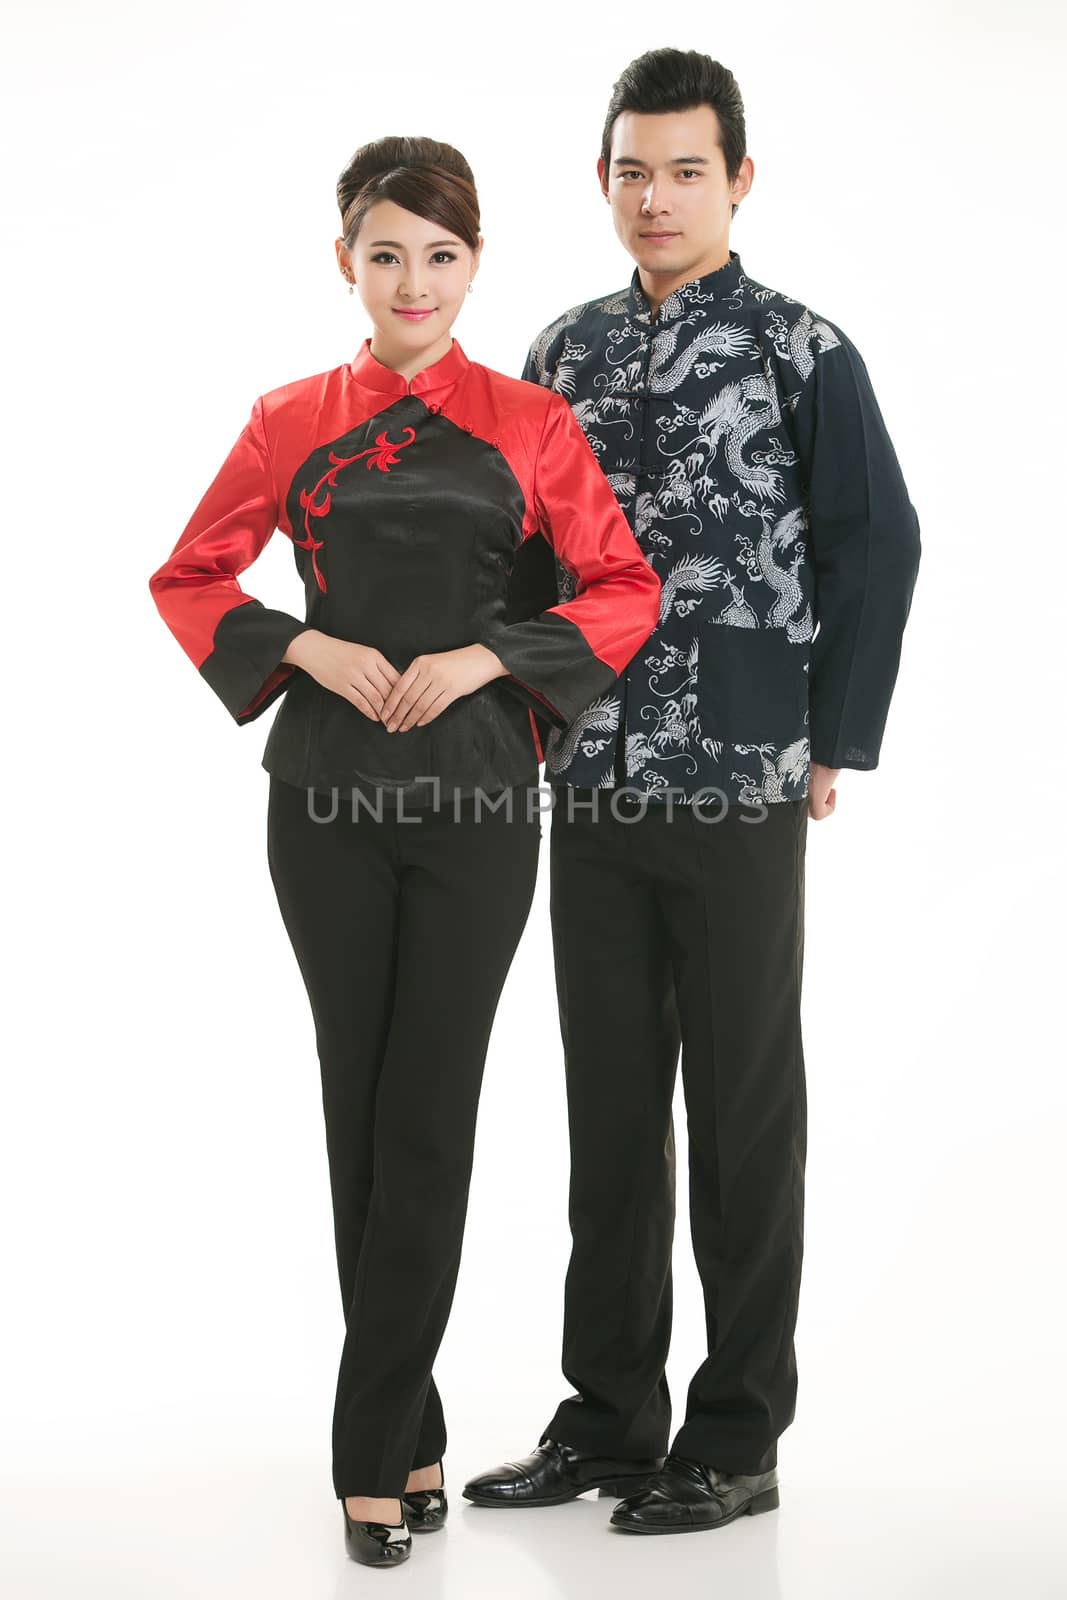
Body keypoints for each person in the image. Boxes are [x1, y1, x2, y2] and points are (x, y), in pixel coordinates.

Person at [147, 135, 661, 1568]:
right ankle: (407, 1425)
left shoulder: (530, 424)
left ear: (475, 264)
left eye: (442, 255)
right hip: (321, 799)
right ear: (346, 263)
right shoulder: (288, 417)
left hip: (482, 802)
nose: (414, 281)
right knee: (357, 1113)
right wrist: (304, 640)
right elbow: (189, 576)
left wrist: (489, 660)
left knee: (428, 1114)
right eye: (387, 253)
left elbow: (624, 586)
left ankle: (369, 1449)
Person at [464, 49, 922, 1536]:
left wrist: (830, 736)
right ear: (603, 180)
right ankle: (608, 1416)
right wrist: (522, 709)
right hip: (587, 773)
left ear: (738, 178)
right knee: (609, 1108)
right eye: (632, 170)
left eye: (684, 169)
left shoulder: (802, 349)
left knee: (738, 1113)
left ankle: (736, 1435)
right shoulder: (560, 351)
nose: (656, 196)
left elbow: (875, 542)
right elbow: (524, 555)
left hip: (735, 778)